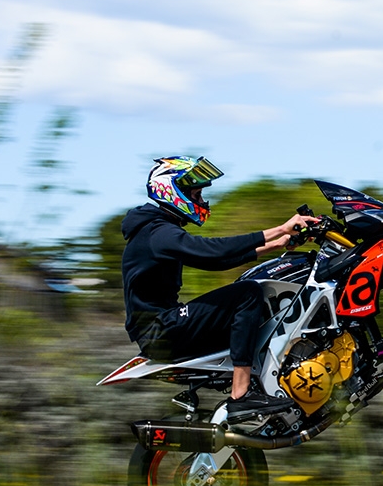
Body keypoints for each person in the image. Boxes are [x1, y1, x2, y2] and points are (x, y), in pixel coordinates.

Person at [121, 155, 317, 417]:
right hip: (162, 330)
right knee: (248, 293)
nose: (202, 202)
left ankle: (260, 384)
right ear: (172, 190)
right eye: (196, 194)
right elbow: (212, 251)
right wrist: (279, 229)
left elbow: (217, 262)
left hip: (161, 329)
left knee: (249, 299)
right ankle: (241, 394)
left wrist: (276, 245)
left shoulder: (157, 230)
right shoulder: (157, 232)